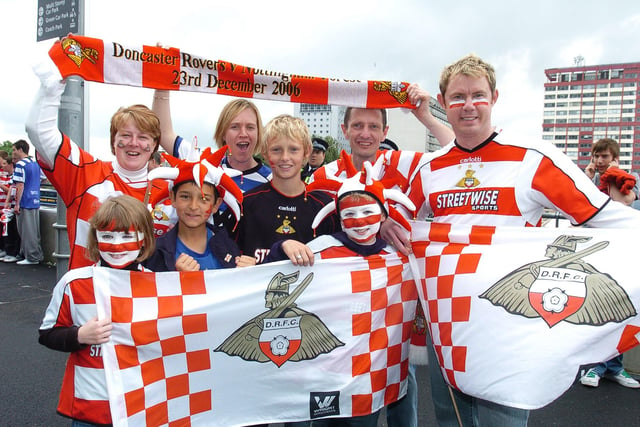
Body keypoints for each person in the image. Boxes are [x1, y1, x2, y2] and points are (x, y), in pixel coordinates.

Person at [397, 54, 640, 426]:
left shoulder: (533, 157)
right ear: (443, 103)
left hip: (508, 317)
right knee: (452, 420)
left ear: (494, 97)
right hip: (447, 317)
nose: (468, 105)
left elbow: (603, 216)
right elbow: (399, 221)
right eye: (457, 97)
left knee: (504, 420)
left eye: (477, 94)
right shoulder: (429, 169)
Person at [266, 154, 417, 426]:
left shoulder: (399, 257)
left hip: (365, 379)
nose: (359, 221)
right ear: (338, 217)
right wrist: (283, 247)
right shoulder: (322, 249)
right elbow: (270, 277)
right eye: (349, 214)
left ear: (384, 215)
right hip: (318, 374)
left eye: (367, 212)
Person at [25, 57, 175, 269]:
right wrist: (53, 83)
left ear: (154, 145)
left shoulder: (171, 190)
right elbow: (38, 131)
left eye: (143, 137)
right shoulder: (84, 172)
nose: (134, 143)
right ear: (113, 142)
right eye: (125, 135)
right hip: (91, 296)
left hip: (146, 298)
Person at [38, 195, 157, 425]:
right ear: (95, 237)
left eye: (126, 235)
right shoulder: (74, 282)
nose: (117, 244)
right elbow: (47, 333)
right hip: (90, 406)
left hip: (141, 405)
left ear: (144, 238)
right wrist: (79, 335)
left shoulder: (158, 286)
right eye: (107, 235)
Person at [226, 114, 338, 264]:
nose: (285, 157)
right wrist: (237, 262)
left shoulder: (325, 207)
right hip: (259, 287)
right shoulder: (246, 204)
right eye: (276, 150)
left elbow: (340, 258)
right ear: (265, 152)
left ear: (306, 151)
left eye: (293, 149)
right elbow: (224, 251)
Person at [152, 89, 272, 227]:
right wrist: (162, 87)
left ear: (259, 134)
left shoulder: (272, 180)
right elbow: (163, 132)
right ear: (223, 133)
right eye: (235, 127)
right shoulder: (202, 165)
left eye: (250, 127)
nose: (243, 133)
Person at [579, 137, 640, 389]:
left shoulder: (623, 178)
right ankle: (596, 366)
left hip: (621, 253)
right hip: (597, 253)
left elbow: (621, 204)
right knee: (596, 309)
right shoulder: (592, 179)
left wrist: (611, 174)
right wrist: (587, 177)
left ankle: (610, 366)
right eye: (596, 156)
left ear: (615, 158)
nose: (599, 161)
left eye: (605, 156)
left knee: (619, 310)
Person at [144, 146, 255, 271]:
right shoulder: (156, 252)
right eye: (185, 197)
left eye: (204, 199)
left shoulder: (228, 246)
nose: (193, 206)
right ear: (173, 198)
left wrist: (248, 273)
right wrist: (176, 278)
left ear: (216, 205)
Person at [11, 139, 44, 265]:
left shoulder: (20, 165)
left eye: (14, 150)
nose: (13, 153)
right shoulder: (34, 164)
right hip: (35, 199)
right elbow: (43, 178)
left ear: (20, 150)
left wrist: (17, 203)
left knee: (26, 230)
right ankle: (35, 254)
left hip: (25, 200)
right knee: (34, 230)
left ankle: (31, 256)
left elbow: (19, 185)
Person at [0, 155, 20, 262]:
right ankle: (6, 250)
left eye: (4, 164)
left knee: (13, 231)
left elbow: (12, 191)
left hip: (12, 207)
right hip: (6, 208)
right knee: (6, 231)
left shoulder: (13, 177)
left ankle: (13, 252)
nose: (2, 167)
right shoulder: (6, 176)